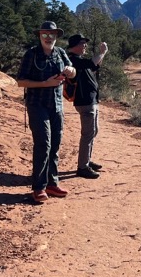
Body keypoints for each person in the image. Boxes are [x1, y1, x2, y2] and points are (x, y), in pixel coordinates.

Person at [17, 21, 76, 203]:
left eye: (52, 34)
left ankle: (52, 183)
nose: (48, 37)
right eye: (45, 34)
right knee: (43, 144)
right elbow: (21, 81)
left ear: (56, 36)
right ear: (39, 35)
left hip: (57, 105)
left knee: (55, 145)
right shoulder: (31, 54)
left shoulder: (60, 53)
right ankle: (39, 187)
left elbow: (72, 72)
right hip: (37, 105)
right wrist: (44, 84)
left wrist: (70, 71)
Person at [67, 33, 108, 179]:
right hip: (85, 102)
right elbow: (91, 63)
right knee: (88, 134)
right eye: (82, 43)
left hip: (91, 101)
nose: (85, 46)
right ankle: (82, 167)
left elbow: (94, 67)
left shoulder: (79, 60)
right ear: (75, 46)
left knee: (93, 132)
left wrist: (100, 57)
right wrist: (102, 52)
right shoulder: (72, 60)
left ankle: (86, 161)